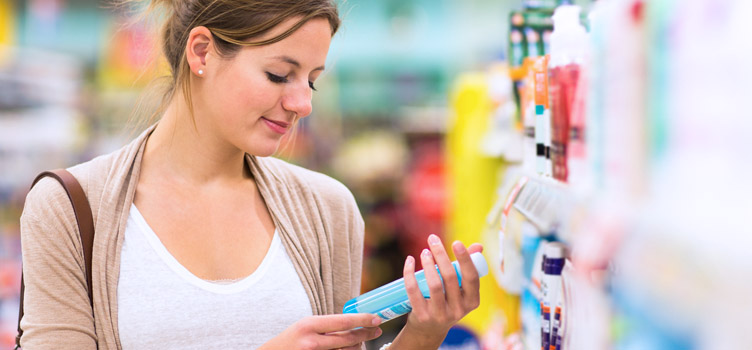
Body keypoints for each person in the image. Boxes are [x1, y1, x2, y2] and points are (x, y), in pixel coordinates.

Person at [18, 0, 483, 349]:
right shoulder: (71, 209)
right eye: (281, 75)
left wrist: (425, 330)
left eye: (312, 79)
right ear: (201, 52)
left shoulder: (327, 209)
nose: (304, 102)